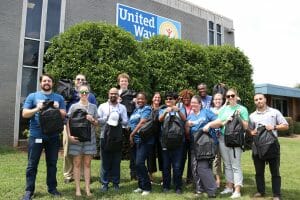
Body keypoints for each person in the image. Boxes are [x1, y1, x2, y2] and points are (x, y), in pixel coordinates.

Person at [22, 74, 66, 200]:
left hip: (53, 136)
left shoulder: (59, 98)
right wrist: (37, 108)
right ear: (41, 83)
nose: (47, 82)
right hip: (36, 136)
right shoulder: (33, 96)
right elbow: (25, 113)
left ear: (52, 83)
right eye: (45, 80)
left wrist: (57, 108)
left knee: (52, 163)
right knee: (32, 164)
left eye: (49, 81)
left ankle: (52, 188)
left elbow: (64, 114)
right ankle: (29, 191)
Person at [204, 88, 249, 199]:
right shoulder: (224, 110)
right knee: (227, 165)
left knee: (235, 166)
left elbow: (246, 126)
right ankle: (229, 187)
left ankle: (237, 190)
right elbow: (219, 123)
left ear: (236, 96)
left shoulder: (242, 109)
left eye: (232, 95)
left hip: (236, 140)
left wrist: (238, 117)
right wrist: (209, 124)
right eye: (228, 96)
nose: (230, 98)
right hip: (223, 138)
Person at [248, 93, 288, 200]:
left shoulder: (274, 112)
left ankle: (276, 194)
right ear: (254, 102)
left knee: (275, 172)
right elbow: (249, 130)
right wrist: (251, 132)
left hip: (272, 146)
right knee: (259, 172)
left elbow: (285, 125)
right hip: (257, 147)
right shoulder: (252, 116)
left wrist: (274, 127)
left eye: (260, 99)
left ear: (265, 99)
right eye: (256, 100)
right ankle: (261, 191)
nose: (258, 101)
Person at [63, 74, 97, 184]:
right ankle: (68, 175)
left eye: (83, 79)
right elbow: (65, 113)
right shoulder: (68, 92)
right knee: (68, 151)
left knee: (85, 152)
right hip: (70, 127)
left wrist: (92, 119)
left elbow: (95, 115)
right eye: (78, 79)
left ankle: (83, 175)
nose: (80, 81)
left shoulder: (91, 96)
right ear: (74, 81)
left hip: (86, 128)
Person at [185, 95, 218, 198]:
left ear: (200, 104)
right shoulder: (189, 116)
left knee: (202, 167)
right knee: (194, 168)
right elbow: (187, 133)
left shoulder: (206, 112)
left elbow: (219, 122)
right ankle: (199, 189)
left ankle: (212, 190)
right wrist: (187, 126)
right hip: (194, 145)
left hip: (206, 144)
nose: (193, 104)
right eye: (192, 102)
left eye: (195, 102)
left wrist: (209, 125)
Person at [97, 88, 128, 192]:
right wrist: (107, 118)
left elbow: (126, 122)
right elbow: (97, 121)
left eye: (115, 93)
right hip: (104, 136)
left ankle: (115, 183)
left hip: (117, 137)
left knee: (116, 161)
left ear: (118, 95)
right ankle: (104, 183)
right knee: (105, 161)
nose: (113, 95)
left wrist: (119, 119)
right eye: (111, 93)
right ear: (108, 94)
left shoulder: (122, 107)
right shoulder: (102, 106)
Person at [159, 92, 186, 194]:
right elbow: (159, 119)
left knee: (177, 166)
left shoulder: (180, 109)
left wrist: (178, 110)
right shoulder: (162, 109)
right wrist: (166, 112)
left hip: (179, 142)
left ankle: (178, 186)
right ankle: (166, 186)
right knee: (166, 166)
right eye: (167, 99)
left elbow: (184, 119)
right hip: (165, 142)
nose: (168, 100)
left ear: (175, 100)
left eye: (171, 99)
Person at [129, 92, 153, 196]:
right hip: (135, 140)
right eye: (138, 99)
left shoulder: (147, 109)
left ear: (146, 100)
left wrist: (131, 134)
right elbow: (132, 123)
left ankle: (147, 187)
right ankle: (141, 186)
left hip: (144, 140)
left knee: (140, 163)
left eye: (142, 99)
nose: (140, 101)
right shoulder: (136, 110)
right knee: (136, 164)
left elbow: (142, 122)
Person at [117, 73, 137, 180]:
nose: (123, 82)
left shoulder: (133, 94)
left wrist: (135, 102)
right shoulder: (115, 94)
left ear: (128, 82)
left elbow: (138, 109)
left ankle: (133, 173)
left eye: (125, 81)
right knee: (117, 149)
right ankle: (115, 174)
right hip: (118, 125)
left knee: (132, 148)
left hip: (130, 125)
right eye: (122, 81)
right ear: (119, 82)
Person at [146, 92, 163, 183]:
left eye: (159, 97)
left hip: (160, 134)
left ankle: (164, 176)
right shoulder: (148, 108)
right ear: (152, 99)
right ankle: (150, 176)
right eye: (155, 97)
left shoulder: (163, 108)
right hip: (150, 134)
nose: (157, 98)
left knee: (162, 155)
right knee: (150, 155)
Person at [178, 89, 194, 184]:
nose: (186, 99)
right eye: (184, 98)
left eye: (188, 98)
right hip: (182, 137)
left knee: (192, 159)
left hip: (192, 137)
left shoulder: (194, 106)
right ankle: (178, 177)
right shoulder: (179, 106)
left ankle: (190, 178)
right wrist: (178, 101)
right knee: (181, 158)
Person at [210, 93, 225, 188]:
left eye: (219, 99)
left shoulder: (226, 109)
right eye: (215, 99)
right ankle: (217, 180)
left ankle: (230, 181)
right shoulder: (210, 110)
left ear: (222, 100)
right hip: (213, 138)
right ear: (213, 100)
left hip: (225, 138)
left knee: (227, 160)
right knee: (216, 160)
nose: (217, 101)